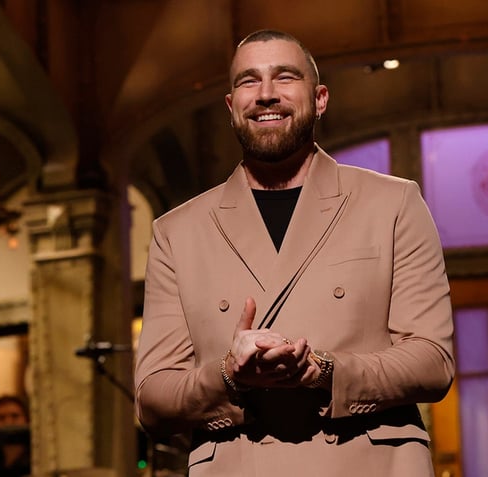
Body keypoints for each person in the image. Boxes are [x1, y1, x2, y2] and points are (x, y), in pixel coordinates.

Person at [134, 29, 454, 476]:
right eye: (248, 81)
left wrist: (325, 372)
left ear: (319, 98)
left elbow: (432, 361)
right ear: (231, 107)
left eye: (285, 78)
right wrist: (229, 374)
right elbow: (152, 398)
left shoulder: (392, 204)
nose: (266, 95)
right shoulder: (177, 232)